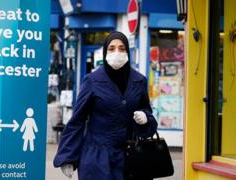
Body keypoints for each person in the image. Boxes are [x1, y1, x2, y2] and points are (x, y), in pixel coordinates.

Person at [53, 31, 158, 180]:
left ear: (128, 51)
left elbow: (146, 111)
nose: (117, 52)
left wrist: (145, 118)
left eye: (122, 49)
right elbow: (77, 120)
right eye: (112, 48)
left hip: (130, 158)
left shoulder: (139, 81)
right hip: (97, 158)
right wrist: (68, 157)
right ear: (105, 52)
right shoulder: (92, 80)